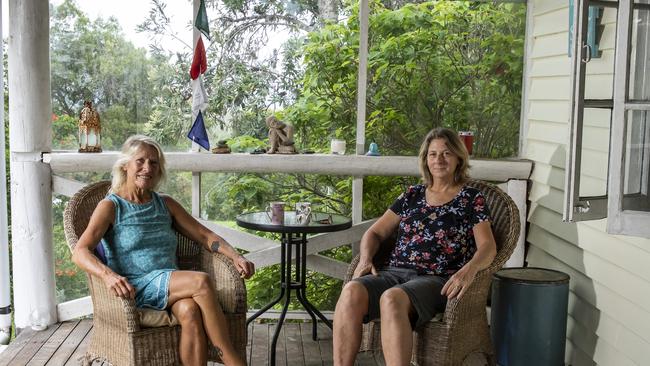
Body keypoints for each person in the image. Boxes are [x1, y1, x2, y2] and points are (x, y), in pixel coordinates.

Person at [72, 135, 255, 366]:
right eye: (140, 161)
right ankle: (229, 357)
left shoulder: (165, 204)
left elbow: (204, 235)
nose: (147, 168)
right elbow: (80, 251)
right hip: (134, 287)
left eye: (154, 163)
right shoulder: (111, 206)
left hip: (170, 286)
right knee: (201, 282)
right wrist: (108, 276)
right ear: (125, 165)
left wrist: (236, 256)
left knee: (189, 310)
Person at [333, 128, 497, 366]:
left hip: (436, 279)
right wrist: (366, 259)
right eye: (433, 154)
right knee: (351, 291)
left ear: (459, 158)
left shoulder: (471, 198)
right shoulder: (412, 194)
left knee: (391, 299)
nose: (439, 160)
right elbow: (375, 232)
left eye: (446, 153)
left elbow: (488, 247)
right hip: (394, 272)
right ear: (425, 159)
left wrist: (467, 271)